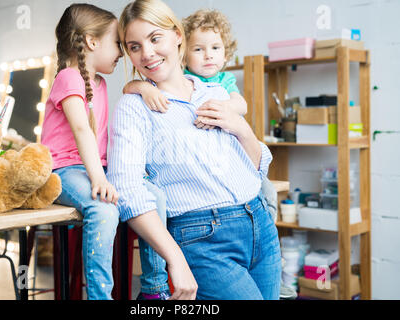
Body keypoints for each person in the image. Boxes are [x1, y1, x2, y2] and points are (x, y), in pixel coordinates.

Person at [108, 0, 281, 300]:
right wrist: (174, 259)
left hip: (261, 224)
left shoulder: (216, 93)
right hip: (202, 239)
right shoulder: (134, 107)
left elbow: (256, 166)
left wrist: (242, 128)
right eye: (134, 46)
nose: (146, 53)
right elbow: (128, 190)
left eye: (154, 38)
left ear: (177, 36)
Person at [40, 3, 166, 300]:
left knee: (154, 196)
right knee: (103, 209)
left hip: (96, 169)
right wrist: (98, 178)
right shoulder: (68, 78)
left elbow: (105, 134)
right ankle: (99, 296)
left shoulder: (101, 83)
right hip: (65, 170)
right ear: (92, 42)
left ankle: (154, 287)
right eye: (118, 44)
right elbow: (83, 130)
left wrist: (140, 86)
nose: (122, 52)